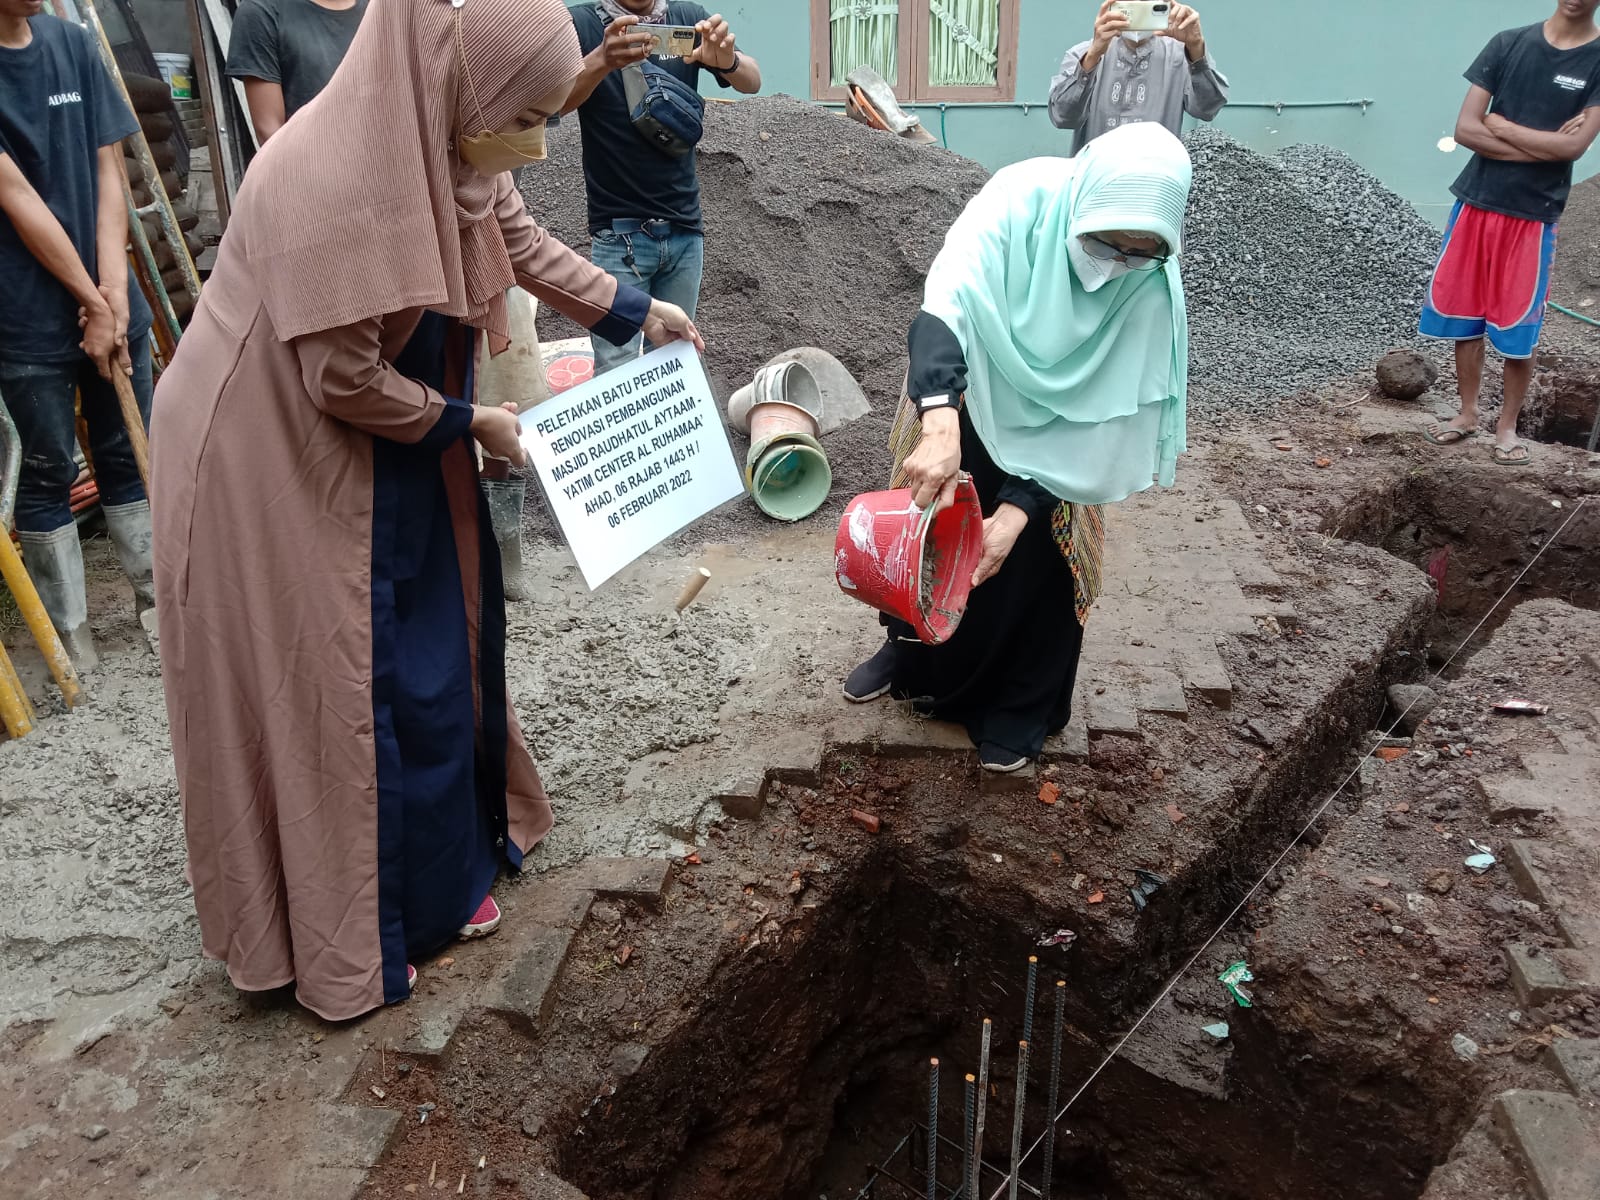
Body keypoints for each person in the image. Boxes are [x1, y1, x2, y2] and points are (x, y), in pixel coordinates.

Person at [149, 0, 701, 1021]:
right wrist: (470, 420)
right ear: (464, 84)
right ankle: (355, 932)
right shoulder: (333, 176)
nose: (535, 141)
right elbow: (339, 380)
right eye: (525, 114)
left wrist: (633, 308)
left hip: (399, 423)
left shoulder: (446, 140)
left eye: (546, 114)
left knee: (433, 640)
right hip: (269, 444)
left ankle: (442, 884)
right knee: (336, 679)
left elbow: (516, 235)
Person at [842, 123, 1192, 774]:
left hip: (1071, 439)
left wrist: (1018, 510)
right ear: (1080, 205)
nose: (1114, 262)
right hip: (969, 391)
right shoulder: (1019, 201)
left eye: (1135, 252)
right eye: (1104, 242)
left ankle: (1018, 706)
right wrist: (941, 424)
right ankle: (910, 658)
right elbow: (947, 302)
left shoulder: (1150, 281)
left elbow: (1102, 421)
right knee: (926, 535)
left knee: (1033, 565)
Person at [0, 0, 155, 673]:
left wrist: (115, 295)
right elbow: (17, 197)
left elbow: (106, 169)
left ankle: (157, 604)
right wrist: (92, 301)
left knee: (130, 448)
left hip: (110, 297)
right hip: (26, 310)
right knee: (48, 467)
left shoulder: (72, 41)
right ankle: (70, 638)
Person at [1421, 0, 1600, 467]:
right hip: (1477, 201)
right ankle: (1466, 414)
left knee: (1520, 325)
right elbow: (1465, 129)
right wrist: (1545, 148)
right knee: (1467, 314)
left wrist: (1502, 126)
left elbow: (1575, 146)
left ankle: (1507, 428)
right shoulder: (1508, 43)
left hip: (1534, 214)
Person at [563, 0, 760, 375]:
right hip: (617, 235)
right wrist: (603, 59)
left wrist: (728, 61)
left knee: (673, 365)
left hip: (685, 231)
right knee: (616, 370)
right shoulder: (582, 23)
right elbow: (554, 102)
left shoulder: (687, 18)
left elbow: (752, 81)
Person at [1049, 1, 1227, 155]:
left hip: (1156, 184)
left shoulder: (1181, 56)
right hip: (1094, 185)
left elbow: (1207, 109)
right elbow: (1063, 118)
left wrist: (1196, 48)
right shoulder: (1083, 55)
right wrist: (1091, 58)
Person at [226, 0, 368, 144]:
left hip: (381, 156)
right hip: (311, 160)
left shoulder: (379, 9)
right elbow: (269, 131)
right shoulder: (260, 12)